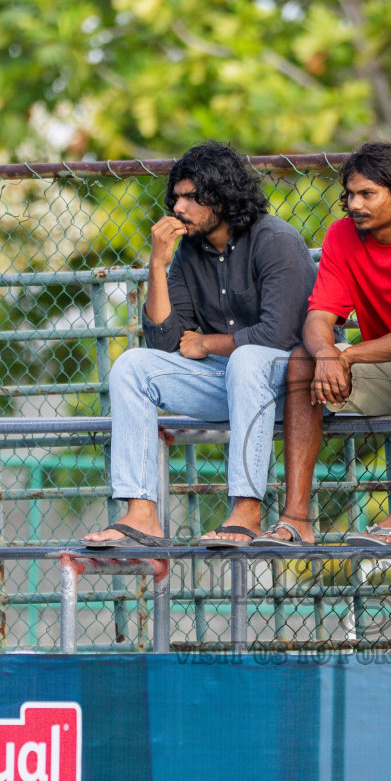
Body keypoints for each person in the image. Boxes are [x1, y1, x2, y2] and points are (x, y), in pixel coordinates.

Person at [83, 140, 315, 550]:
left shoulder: (275, 239)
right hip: (226, 383)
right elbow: (165, 341)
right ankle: (141, 514)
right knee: (133, 366)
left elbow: (279, 335)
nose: (179, 208)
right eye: (176, 198)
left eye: (192, 198)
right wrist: (157, 262)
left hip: (290, 386)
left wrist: (209, 342)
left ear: (223, 199)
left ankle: (247, 511)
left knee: (246, 359)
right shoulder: (188, 251)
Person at [254, 142, 391, 548]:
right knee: (301, 361)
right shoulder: (341, 235)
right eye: (350, 194)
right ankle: (297, 519)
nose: (354, 204)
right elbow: (318, 317)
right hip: (383, 366)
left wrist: (346, 354)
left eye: (367, 194)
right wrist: (326, 354)